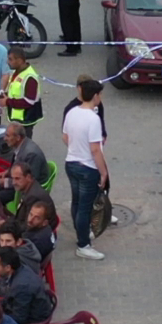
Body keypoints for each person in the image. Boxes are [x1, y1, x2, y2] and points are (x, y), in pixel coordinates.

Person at [62, 79, 109, 260]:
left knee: (76, 202)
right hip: (87, 167)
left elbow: (65, 137)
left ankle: (80, 233)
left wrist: (75, 148)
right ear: (95, 96)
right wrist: (103, 172)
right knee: (84, 207)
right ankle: (83, 244)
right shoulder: (93, 119)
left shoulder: (72, 112)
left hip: (71, 163)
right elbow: (95, 149)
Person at [0, 245, 54, 324]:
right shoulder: (21, 268)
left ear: (8, 268)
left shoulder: (21, 286)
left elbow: (19, 318)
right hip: (21, 309)